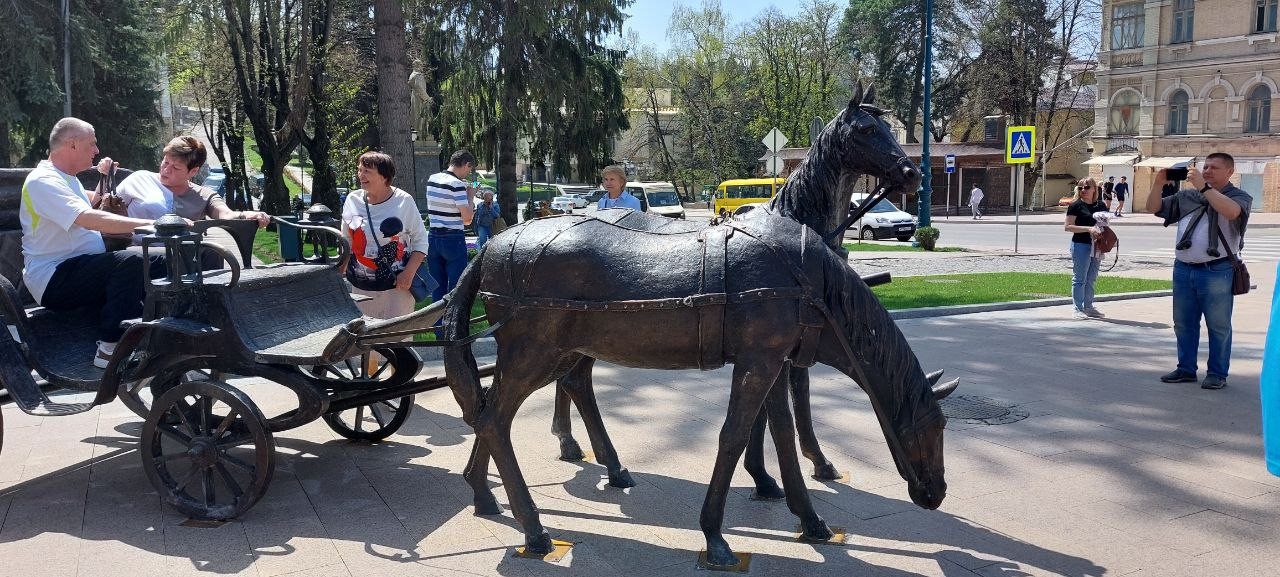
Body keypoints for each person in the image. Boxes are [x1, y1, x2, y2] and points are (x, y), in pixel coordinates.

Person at [20, 118, 169, 367]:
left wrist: (104, 178)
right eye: (92, 144)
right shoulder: (42, 181)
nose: (97, 150)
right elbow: (88, 218)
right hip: (54, 278)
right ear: (72, 145)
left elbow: (90, 204)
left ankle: (157, 330)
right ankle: (111, 348)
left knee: (160, 259)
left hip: (80, 269)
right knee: (132, 260)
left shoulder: (67, 179)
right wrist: (153, 223)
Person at [1146, 153, 1251, 390]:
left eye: (1214, 167)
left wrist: (1204, 187)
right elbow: (1153, 208)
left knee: (1218, 326)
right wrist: (1158, 184)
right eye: (1206, 167)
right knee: (1183, 323)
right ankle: (1186, 369)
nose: (1207, 171)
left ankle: (1217, 373)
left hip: (1217, 270)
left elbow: (1232, 212)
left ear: (1230, 172)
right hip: (1183, 268)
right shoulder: (1188, 196)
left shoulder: (1238, 196)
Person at [341, 152, 430, 319]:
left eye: (367, 171)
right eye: (359, 170)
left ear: (384, 176)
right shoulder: (352, 199)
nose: (360, 175)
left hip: (397, 288)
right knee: (363, 334)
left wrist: (408, 273)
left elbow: (421, 241)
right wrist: (340, 270)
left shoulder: (404, 201)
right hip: (360, 288)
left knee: (395, 334)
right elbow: (346, 239)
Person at [113, 136, 271, 226]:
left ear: (193, 171)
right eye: (165, 162)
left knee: (212, 254)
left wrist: (246, 215)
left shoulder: (203, 195)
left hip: (180, 258)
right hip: (134, 252)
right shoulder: (140, 178)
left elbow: (225, 214)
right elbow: (107, 208)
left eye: (176, 167)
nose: (166, 170)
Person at [425, 150, 477, 302]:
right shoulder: (457, 184)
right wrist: (470, 195)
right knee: (456, 288)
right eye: (469, 169)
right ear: (466, 164)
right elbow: (467, 219)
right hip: (452, 238)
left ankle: (437, 317)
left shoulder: (432, 179)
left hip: (433, 236)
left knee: (437, 288)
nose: (468, 174)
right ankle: (453, 317)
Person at [1064, 178, 1107, 320]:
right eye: (1080, 187)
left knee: (1091, 278)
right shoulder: (1075, 205)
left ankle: (1089, 307)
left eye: (1087, 187)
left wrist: (1104, 235)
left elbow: (1104, 225)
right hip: (1080, 245)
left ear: (1094, 189)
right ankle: (1077, 308)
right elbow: (1068, 227)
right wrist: (1089, 229)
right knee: (1080, 278)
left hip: (1097, 246)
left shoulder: (1101, 205)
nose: (1083, 190)